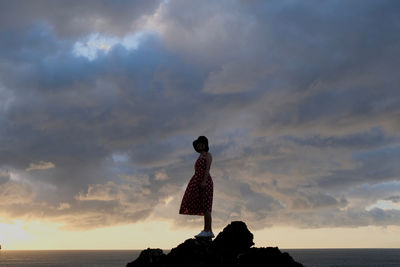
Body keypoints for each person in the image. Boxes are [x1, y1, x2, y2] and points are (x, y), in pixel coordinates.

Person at [179, 136, 214, 238]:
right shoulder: (199, 156)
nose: (199, 146)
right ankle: (208, 230)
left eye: (200, 143)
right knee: (203, 206)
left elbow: (207, 169)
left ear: (204, 144)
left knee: (207, 207)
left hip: (205, 181)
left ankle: (208, 230)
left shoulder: (208, 155)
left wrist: (204, 181)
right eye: (197, 144)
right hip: (197, 181)